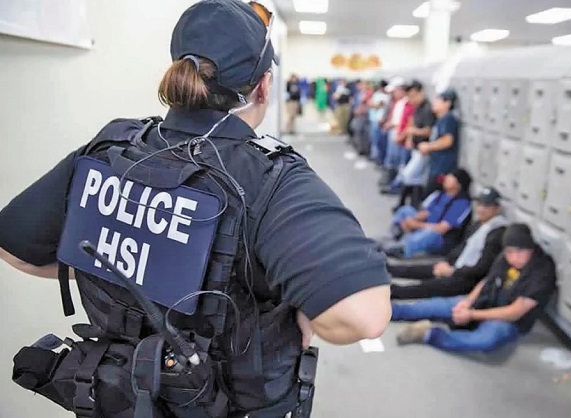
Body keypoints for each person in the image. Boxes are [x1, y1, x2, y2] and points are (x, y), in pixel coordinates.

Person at [0, 1, 391, 417]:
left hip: (114, 397)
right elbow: (362, 317)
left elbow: (15, 249)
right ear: (264, 86)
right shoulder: (269, 177)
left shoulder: (115, 144)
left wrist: (125, 266)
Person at [392, 224, 557, 353]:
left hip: (507, 321)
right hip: (486, 302)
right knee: (438, 305)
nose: (514, 258)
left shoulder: (543, 270)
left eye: (520, 252)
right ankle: (391, 311)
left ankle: (429, 335)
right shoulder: (505, 258)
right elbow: (487, 281)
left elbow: (515, 312)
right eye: (509, 252)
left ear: (530, 248)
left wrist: (472, 315)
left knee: (485, 340)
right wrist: (469, 302)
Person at [389, 187, 508, 300]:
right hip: (456, 267)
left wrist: (453, 271)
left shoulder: (497, 232)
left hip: (467, 279)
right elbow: (462, 248)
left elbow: (482, 267)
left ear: (496, 208)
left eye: (486, 206)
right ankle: (388, 270)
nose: (481, 209)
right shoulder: (478, 225)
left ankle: (392, 291)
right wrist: (447, 262)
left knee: (428, 287)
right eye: (479, 204)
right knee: (422, 269)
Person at [388, 169, 472, 258]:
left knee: (430, 233)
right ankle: (396, 235)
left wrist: (416, 225)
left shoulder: (461, 203)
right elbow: (426, 212)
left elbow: (441, 229)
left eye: (450, 178)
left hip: (441, 238)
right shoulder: (440, 194)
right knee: (406, 210)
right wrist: (411, 220)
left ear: (458, 185)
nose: (446, 178)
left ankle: (404, 249)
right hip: (426, 227)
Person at [395, 81, 437, 207]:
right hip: (415, 147)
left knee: (409, 176)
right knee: (414, 178)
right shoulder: (417, 107)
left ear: (420, 92)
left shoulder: (427, 109)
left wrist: (413, 131)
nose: (411, 99)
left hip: (423, 149)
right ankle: (408, 204)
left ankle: (407, 204)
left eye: (413, 96)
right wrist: (409, 137)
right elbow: (411, 122)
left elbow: (428, 131)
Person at [417, 89, 460, 196]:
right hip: (436, 165)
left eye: (438, 100)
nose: (434, 102)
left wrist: (428, 146)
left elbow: (448, 140)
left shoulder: (448, 118)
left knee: (431, 194)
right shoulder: (441, 119)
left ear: (447, 103)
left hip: (442, 167)